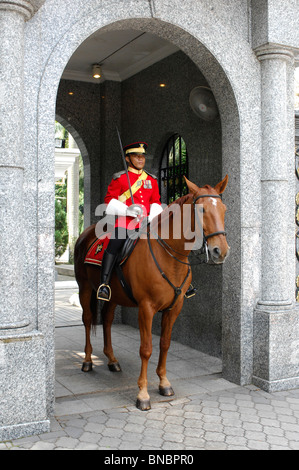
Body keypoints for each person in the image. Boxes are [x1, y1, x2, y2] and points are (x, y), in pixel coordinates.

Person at [97, 141, 163, 301]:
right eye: (136, 156)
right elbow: (108, 201)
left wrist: (153, 216)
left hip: (146, 224)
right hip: (125, 224)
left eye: (143, 156)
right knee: (114, 244)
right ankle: (104, 284)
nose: (141, 159)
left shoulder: (151, 180)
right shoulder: (120, 179)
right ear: (128, 159)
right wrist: (127, 210)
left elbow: (156, 201)